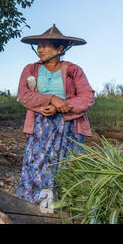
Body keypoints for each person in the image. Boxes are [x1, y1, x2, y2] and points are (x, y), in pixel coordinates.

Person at [16, 24, 94, 204]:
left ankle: (63, 208)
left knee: (66, 166)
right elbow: (24, 95)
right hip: (40, 126)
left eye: (45, 45)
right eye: (38, 45)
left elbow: (87, 97)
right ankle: (38, 206)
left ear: (59, 49)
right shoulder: (31, 69)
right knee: (38, 165)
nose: (40, 49)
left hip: (69, 127)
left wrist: (61, 105)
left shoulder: (74, 70)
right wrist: (51, 98)